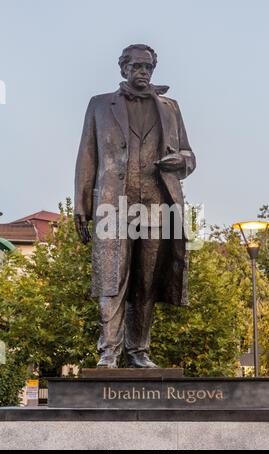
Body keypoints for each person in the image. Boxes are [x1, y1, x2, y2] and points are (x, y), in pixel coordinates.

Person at [74, 44, 196, 368]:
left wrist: (179, 161)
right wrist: (81, 206)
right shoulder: (100, 105)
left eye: (148, 68)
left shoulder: (170, 107)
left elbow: (189, 156)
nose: (143, 73)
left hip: (157, 203)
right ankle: (108, 352)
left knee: (146, 280)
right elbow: (87, 157)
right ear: (124, 68)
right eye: (137, 67)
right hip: (112, 205)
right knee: (111, 278)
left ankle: (139, 350)